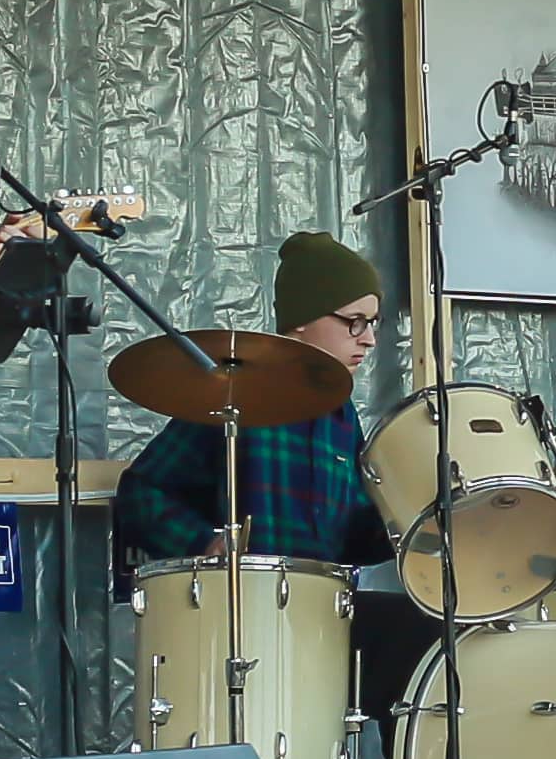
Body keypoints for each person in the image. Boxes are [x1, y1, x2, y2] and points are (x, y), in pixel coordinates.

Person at [111, 232, 396, 575]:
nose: (369, 339)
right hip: (240, 605)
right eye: (356, 322)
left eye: (373, 323)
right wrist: (203, 543)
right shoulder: (235, 392)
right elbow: (141, 492)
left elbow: (352, 534)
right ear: (303, 319)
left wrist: (414, 523)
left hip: (319, 614)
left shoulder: (342, 415)